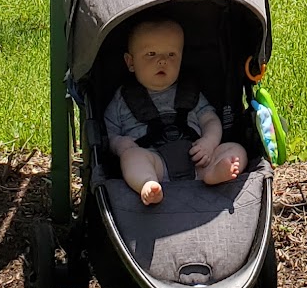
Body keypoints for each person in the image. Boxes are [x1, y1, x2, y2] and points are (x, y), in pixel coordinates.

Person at [104, 12, 247, 206]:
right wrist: (120, 144)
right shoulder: (123, 98)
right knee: (131, 157)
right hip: (154, 162)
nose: (162, 61)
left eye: (171, 55)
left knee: (235, 149)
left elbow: (210, 120)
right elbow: (109, 130)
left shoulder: (189, 91)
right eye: (151, 54)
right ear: (130, 62)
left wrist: (209, 142)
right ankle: (147, 184)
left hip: (198, 160)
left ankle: (214, 173)